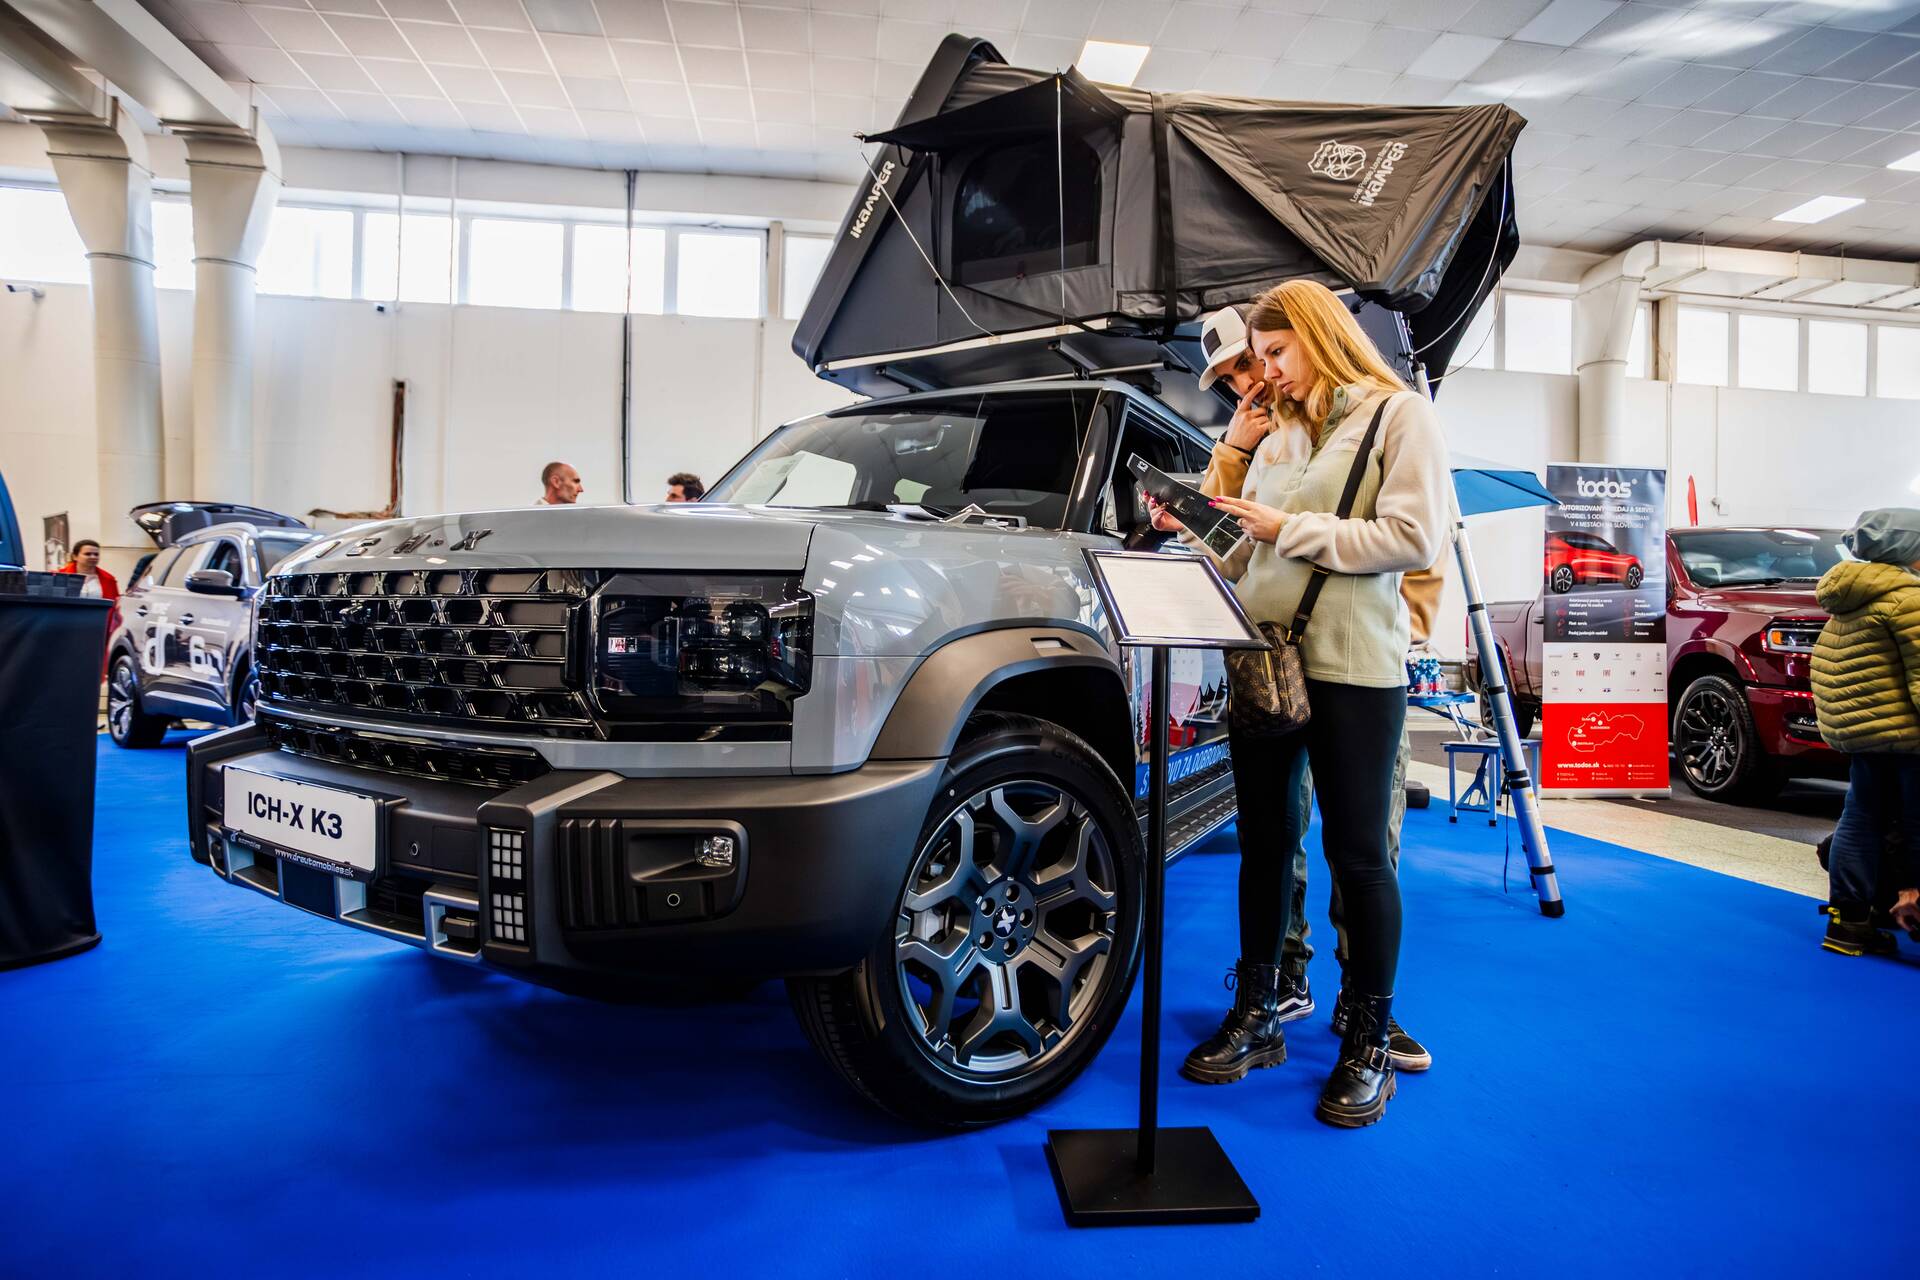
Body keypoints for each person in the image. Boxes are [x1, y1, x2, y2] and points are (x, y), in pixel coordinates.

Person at [1153, 279, 1450, 1127]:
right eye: (1260, 356)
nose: (1267, 372)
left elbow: (1414, 537)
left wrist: (1287, 529)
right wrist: (1195, 526)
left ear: (1320, 336)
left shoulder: (1398, 416)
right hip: (1266, 662)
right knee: (1264, 844)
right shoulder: (1278, 433)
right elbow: (1243, 555)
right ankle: (1259, 1013)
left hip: (1355, 665)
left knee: (1359, 854)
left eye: (1276, 352)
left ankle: (1366, 1038)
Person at [1810, 507, 1920, 956]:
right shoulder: (1909, 599)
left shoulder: (1850, 596)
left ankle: (1847, 922)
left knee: (1860, 819)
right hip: (1909, 735)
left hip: (1863, 735)